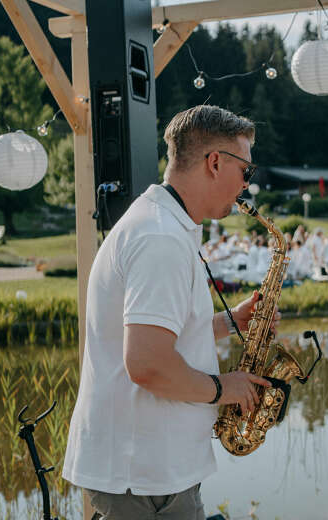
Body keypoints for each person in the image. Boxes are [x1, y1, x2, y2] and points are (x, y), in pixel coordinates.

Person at [62, 105, 280, 520]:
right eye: (245, 173)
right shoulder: (159, 238)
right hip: (144, 476)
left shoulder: (164, 224)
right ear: (215, 163)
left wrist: (230, 321)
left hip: (151, 470)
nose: (245, 186)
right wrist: (224, 388)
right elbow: (147, 365)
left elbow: (160, 335)